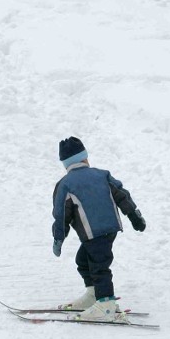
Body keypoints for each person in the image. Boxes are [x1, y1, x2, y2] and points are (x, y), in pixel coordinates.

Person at [52, 137, 146, 322]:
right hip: (110, 229)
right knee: (83, 260)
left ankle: (106, 305)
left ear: (66, 164)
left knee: (98, 266)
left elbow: (61, 215)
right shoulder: (102, 175)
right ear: (85, 158)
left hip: (93, 233)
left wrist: (58, 239)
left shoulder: (65, 184)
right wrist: (135, 216)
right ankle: (94, 295)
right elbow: (122, 196)